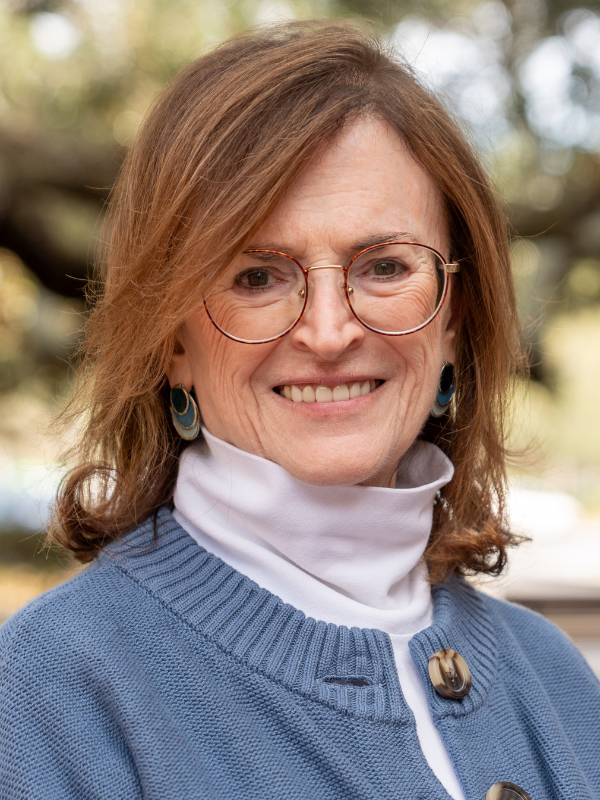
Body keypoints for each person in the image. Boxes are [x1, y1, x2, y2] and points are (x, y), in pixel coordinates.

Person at [1, 21, 599, 800]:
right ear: (171, 341)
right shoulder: (54, 692)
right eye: (257, 276)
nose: (328, 332)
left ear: (454, 320)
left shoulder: (556, 677)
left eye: (385, 266)